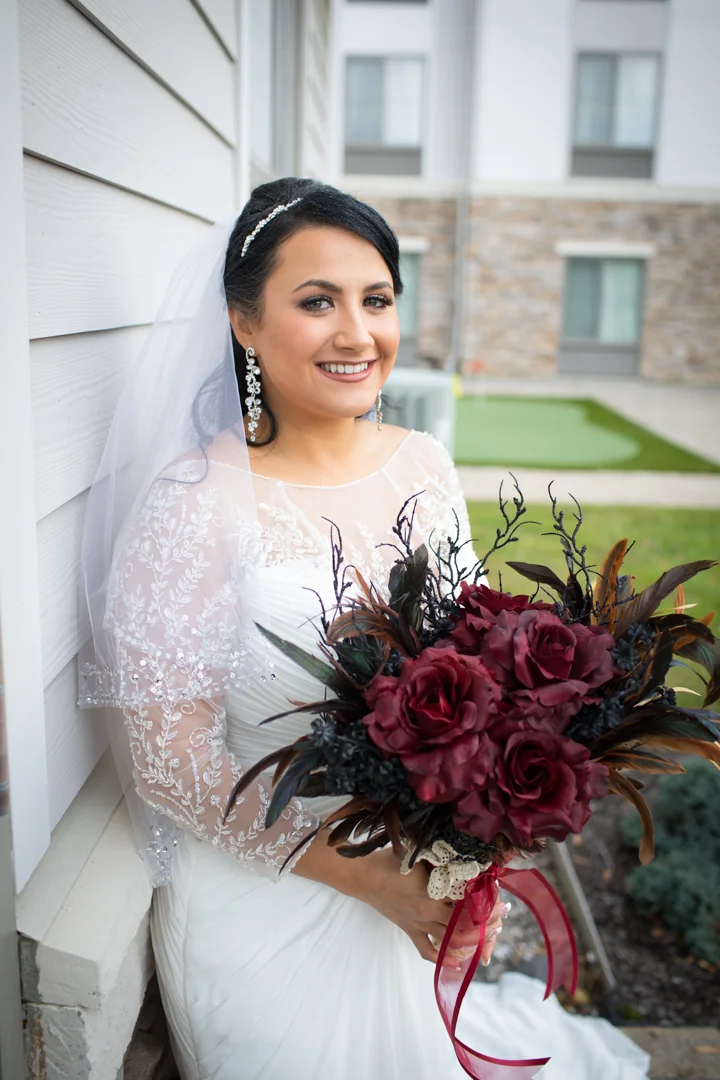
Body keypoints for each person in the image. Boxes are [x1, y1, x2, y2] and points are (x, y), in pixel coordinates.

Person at [82, 178, 650, 1080]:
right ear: (243, 322)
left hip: (417, 872)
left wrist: (474, 845)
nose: (357, 334)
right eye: (317, 302)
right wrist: (369, 878)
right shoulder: (194, 504)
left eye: (376, 300)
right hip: (265, 900)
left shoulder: (424, 463)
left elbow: (476, 667)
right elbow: (167, 762)